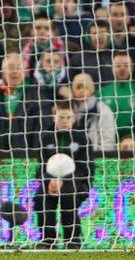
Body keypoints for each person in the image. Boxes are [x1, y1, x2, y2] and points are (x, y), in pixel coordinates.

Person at [33, 101, 94, 249]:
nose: (65, 121)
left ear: (73, 119)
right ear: (54, 118)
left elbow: (85, 168)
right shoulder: (45, 137)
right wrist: (50, 180)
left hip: (77, 182)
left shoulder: (82, 138)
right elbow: (41, 165)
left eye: (68, 117)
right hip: (51, 181)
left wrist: (63, 180)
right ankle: (48, 240)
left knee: (68, 195)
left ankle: (72, 240)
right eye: (61, 117)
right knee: (41, 197)